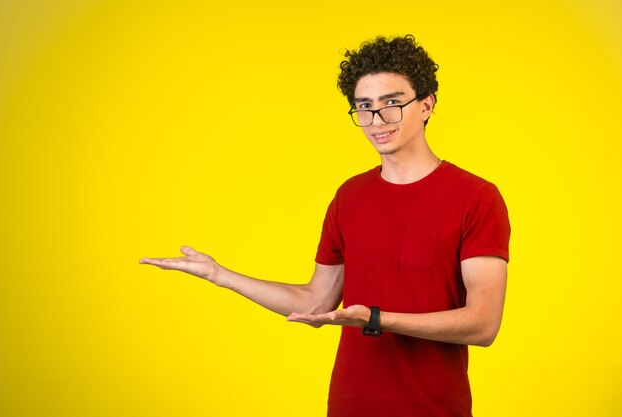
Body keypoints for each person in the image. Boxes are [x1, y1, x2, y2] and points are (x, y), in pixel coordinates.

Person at [140, 35, 510, 417]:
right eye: (364, 107)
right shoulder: (350, 196)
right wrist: (222, 275)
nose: (376, 121)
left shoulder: (476, 197)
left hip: (433, 409)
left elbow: (482, 324)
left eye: (392, 104)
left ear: (426, 105)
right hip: (349, 407)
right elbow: (316, 302)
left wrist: (376, 319)